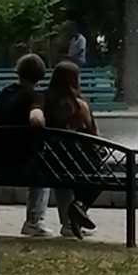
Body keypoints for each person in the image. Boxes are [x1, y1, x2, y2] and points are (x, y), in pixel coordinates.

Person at [0, 53, 51, 237]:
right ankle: (34, 221)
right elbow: (36, 119)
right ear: (40, 76)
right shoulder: (34, 96)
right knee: (45, 172)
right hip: (19, 166)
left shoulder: (5, 93)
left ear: (19, 71)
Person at [42, 60, 99, 239]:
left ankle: (70, 220)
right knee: (98, 174)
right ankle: (78, 207)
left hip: (49, 160)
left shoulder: (43, 101)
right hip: (74, 160)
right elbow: (93, 135)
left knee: (67, 175)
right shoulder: (78, 105)